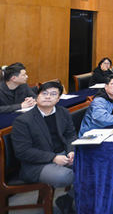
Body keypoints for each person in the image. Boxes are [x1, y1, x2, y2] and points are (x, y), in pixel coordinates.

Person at [12, 81, 77, 213]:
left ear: (58, 98)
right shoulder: (23, 121)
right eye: (44, 93)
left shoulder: (63, 112)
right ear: (37, 96)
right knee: (66, 176)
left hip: (63, 155)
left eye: (53, 94)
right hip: (37, 164)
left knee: (93, 166)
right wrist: (53, 158)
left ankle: (68, 198)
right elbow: (23, 152)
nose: (48, 96)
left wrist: (71, 151)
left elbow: (71, 135)